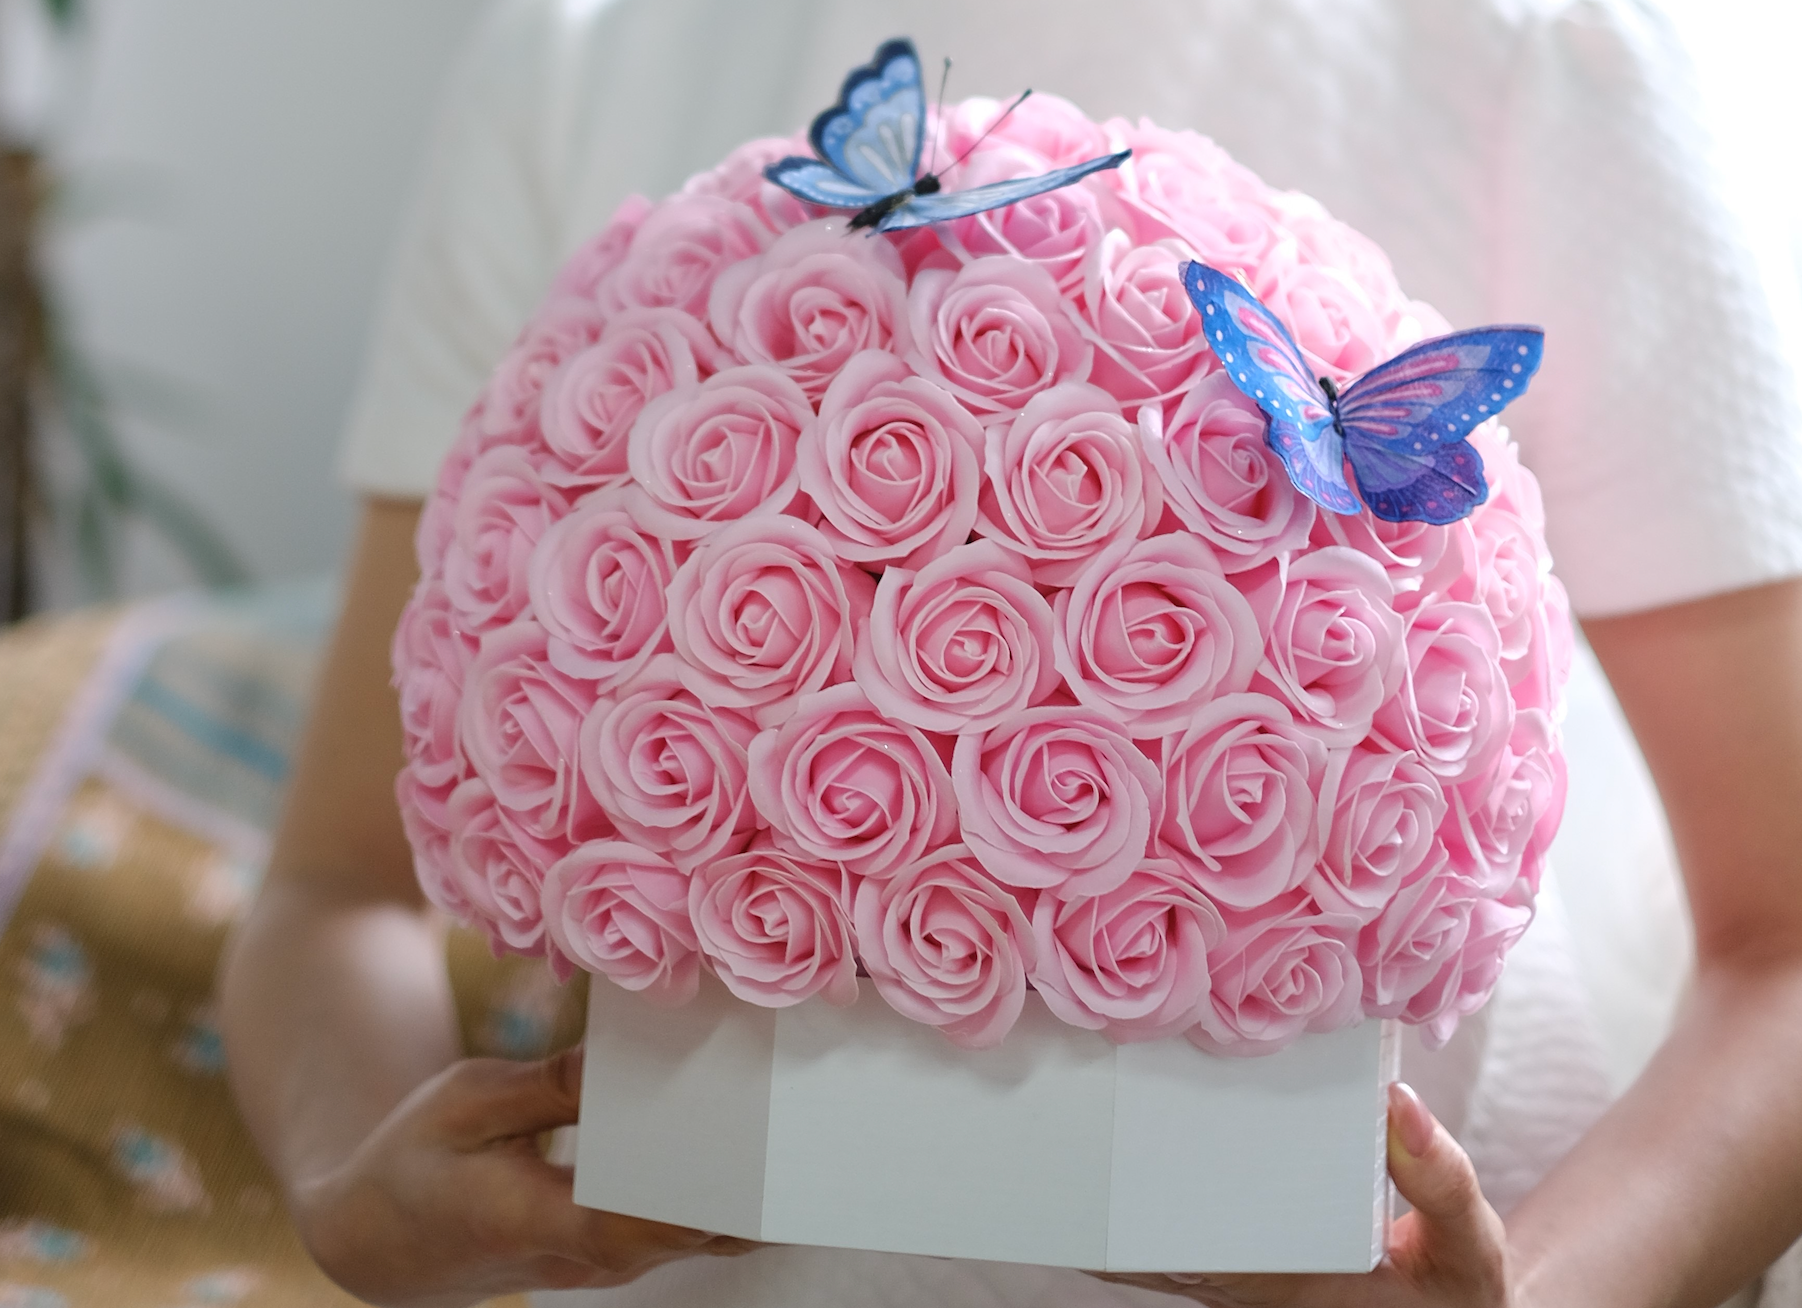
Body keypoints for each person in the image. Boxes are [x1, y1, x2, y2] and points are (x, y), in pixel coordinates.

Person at [218, 1, 1802, 1304]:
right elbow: (337, 885)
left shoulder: (1548, 55)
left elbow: (1781, 946)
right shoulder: (579, 56)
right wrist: (353, 1183)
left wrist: (1540, 1297)